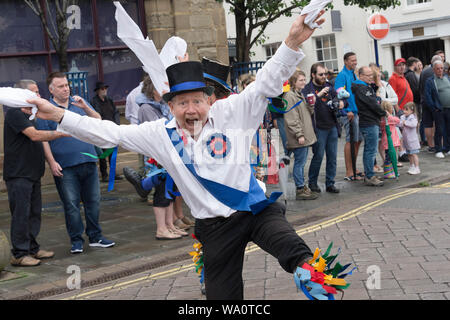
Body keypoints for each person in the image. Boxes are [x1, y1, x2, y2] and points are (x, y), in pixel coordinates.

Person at [25, 11, 325, 300]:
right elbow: (109, 132)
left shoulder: (232, 111)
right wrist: (58, 114)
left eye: (197, 100)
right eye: (182, 103)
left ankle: (307, 273)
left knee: (296, 253)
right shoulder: (159, 133)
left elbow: (266, 82)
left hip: (256, 210)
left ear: (210, 100)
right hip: (214, 228)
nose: (191, 109)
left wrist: (291, 42)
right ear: (170, 106)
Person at [36, 72, 115, 254]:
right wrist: (52, 162)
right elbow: (44, 140)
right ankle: (76, 240)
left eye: (66, 85)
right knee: (71, 205)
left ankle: (95, 237)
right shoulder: (47, 109)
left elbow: (98, 121)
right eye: (61, 86)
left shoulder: (78, 103)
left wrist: (85, 107)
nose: (66, 89)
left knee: (93, 202)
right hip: (65, 165)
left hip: (88, 160)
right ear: (51, 89)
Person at [4, 80, 65, 266]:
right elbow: (35, 135)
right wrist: (61, 133)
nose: (38, 96)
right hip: (19, 174)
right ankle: (19, 254)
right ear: (21, 94)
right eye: (35, 92)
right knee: (21, 214)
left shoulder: (30, 113)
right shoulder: (15, 113)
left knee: (34, 213)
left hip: (32, 172)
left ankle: (32, 248)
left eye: (38, 92)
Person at [124, 76, 188, 240]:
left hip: (167, 156)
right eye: (161, 87)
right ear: (152, 89)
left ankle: (170, 225)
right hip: (157, 160)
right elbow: (160, 131)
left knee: (169, 192)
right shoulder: (146, 108)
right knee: (160, 192)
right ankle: (161, 229)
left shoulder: (161, 105)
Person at [303, 63, 342, 194]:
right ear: (313, 75)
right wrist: (318, 95)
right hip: (318, 127)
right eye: (320, 74)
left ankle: (330, 183)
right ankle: (312, 183)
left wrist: (341, 103)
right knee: (318, 156)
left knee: (332, 157)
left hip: (331, 125)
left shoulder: (329, 86)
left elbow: (339, 98)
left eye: (325, 74)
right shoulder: (307, 89)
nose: (324, 77)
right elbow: (306, 106)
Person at [283, 70, 317, 200]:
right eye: (301, 80)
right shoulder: (290, 97)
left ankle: (302, 187)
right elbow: (292, 118)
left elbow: (306, 114)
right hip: (299, 137)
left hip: (303, 134)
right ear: (294, 82)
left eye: (304, 79)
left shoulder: (299, 94)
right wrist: (299, 134)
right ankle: (300, 188)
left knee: (301, 162)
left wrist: (311, 104)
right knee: (299, 163)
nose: (304, 82)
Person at [352, 66, 386, 187]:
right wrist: (383, 112)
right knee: (370, 150)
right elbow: (372, 103)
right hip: (369, 122)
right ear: (361, 76)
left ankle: (370, 174)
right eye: (368, 75)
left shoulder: (365, 87)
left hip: (370, 121)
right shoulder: (362, 88)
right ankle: (369, 176)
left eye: (372, 75)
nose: (371, 77)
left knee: (370, 150)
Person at [334, 52, 364, 181]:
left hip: (357, 112)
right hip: (349, 113)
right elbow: (339, 93)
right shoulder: (341, 75)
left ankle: (354, 167)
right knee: (350, 140)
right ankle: (349, 171)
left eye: (356, 60)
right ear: (346, 61)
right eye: (352, 60)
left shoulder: (353, 74)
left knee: (357, 140)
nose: (355, 62)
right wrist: (346, 110)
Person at [90, 81, 123, 182]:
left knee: (112, 153)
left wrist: (117, 124)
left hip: (112, 129)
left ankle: (113, 173)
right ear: (98, 91)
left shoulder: (109, 100)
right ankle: (104, 174)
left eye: (105, 88)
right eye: (102, 89)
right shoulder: (94, 101)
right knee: (103, 154)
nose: (104, 90)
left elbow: (116, 112)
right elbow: (96, 115)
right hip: (101, 130)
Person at [425, 60, 450, 158]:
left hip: (449, 108)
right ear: (433, 69)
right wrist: (434, 108)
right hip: (439, 109)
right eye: (438, 68)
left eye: (441, 68)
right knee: (439, 129)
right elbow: (428, 96)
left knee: (449, 129)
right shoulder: (430, 80)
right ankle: (438, 149)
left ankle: (448, 148)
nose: (440, 70)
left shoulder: (447, 78)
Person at [420, 55, 443, 153]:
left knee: (428, 124)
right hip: (435, 102)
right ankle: (440, 145)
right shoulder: (435, 73)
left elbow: (420, 85)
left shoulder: (424, 71)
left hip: (425, 101)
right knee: (439, 124)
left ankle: (431, 145)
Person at [379, 101, 401, 178]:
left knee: (392, 157)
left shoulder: (384, 119)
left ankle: (393, 171)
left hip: (392, 140)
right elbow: (397, 120)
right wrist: (388, 115)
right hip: (390, 140)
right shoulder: (387, 119)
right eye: (391, 108)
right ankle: (387, 173)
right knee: (389, 158)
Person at [399, 102, 421, 175]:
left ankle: (417, 168)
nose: (404, 111)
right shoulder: (403, 117)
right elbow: (400, 124)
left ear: (411, 111)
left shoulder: (413, 117)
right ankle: (412, 166)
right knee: (409, 154)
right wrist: (402, 122)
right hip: (406, 140)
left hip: (412, 140)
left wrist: (405, 122)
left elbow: (413, 124)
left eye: (406, 110)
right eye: (404, 109)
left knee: (414, 154)